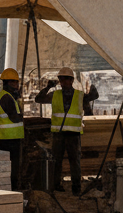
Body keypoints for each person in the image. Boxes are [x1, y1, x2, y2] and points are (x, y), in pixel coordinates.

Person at [35, 67, 99, 195]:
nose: (63, 82)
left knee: (74, 161)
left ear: (71, 80)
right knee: (56, 161)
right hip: (58, 133)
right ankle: (56, 185)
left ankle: (76, 187)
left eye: (66, 79)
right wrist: (48, 87)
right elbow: (39, 99)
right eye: (61, 79)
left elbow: (94, 95)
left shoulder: (79, 95)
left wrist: (93, 87)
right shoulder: (55, 94)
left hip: (73, 134)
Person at [0, 68, 26, 189]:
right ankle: (13, 189)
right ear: (6, 83)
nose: (16, 85)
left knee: (12, 166)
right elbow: (15, 118)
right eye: (13, 83)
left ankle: (13, 187)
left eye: (16, 82)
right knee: (13, 167)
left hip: (10, 137)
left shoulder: (8, 96)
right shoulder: (6, 98)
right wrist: (22, 114)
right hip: (9, 138)